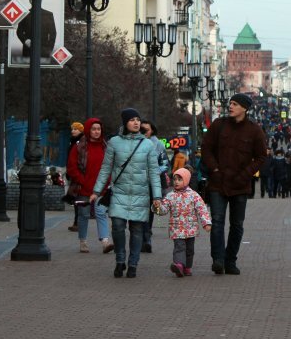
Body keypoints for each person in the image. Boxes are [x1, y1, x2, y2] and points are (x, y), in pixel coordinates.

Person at [200, 92, 268, 275]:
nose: (231, 106)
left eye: (235, 104)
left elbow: (261, 156)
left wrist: (246, 174)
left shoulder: (254, 130)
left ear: (245, 108)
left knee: (237, 225)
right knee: (217, 221)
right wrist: (214, 169)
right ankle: (218, 260)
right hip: (218, 183)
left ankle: (230, 260)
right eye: (230, 103)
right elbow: (206, 148)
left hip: (240, 184)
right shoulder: (219, 126)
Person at [90, 109, 161, 279]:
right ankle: (120, 260)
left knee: (137, 230)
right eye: (132, 120)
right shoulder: (114, 142)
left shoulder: (147, 145)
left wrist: (157, 196)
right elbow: (106, 168)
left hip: (140, 193)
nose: (136, 123)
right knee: (118, 227)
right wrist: (96, 191)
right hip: (119, 192)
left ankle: (133, 264)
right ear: (125, 123)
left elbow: (153, 172)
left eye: (138, 119)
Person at [154, 167, 212, 277]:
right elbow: (164, 210)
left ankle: (187, 267)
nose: (176, 182)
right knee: (179, 247)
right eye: (175, 179)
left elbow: (202, 209)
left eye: (179, 179)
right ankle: (179, 265)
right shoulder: (170, 196)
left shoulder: (193, 195)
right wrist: (157, 207)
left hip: (190, 228)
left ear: (186, 180)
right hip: (177, 228)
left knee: (190, 250)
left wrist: (206, 223)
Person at [68, 119, 113, 254]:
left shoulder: (105, 147)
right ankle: (83, 241)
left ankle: (105, 242)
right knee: (83, 214)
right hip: (83, 187)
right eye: (93, 129)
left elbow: (110, 166)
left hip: (101, 188)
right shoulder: (79, 147)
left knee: (101, 213)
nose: (96, 132)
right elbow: (72, 167)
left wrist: (107, 181)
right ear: (88, 130)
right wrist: (81, 181)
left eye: (98, 129)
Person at [140, 119, 169, 253]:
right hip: (136, 182)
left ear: (152, 131)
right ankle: (140, 238)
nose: (144, 132)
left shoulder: (158, 145)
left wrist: (153, 173)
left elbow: (164, 164)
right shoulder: (133, 142)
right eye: (142, 129)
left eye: (147, 129)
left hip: (152, 183)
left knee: (149, 211)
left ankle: (146, 239)